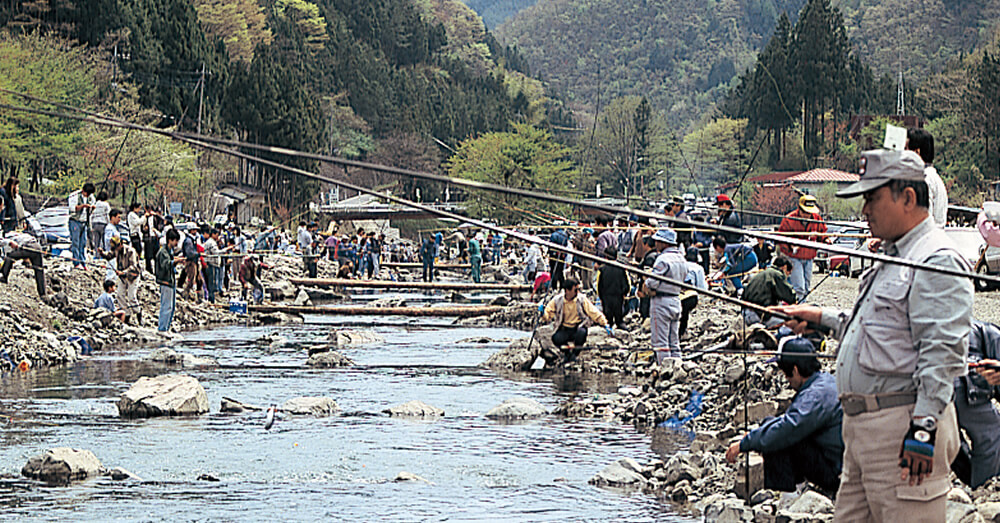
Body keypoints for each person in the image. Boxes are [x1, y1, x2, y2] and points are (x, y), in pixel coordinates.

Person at [775, 149, 973, 520]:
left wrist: (924, 429)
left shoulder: (937, 257)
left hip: (901, 434)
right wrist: (821, 318)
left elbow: (943, 352)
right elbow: (881, 327)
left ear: (908, 198)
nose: (864, 210)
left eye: (872, 197)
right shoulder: (893, 254)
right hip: (861, 437)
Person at [726, 337, 843, 495]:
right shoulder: (826, 380)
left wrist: (745, 444)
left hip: (835, 472)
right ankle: (798, 486)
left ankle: (788, 494)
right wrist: (756, 435)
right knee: (770, 424)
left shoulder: (814, 396)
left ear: (795, 370)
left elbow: (788, 428)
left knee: (778, 438)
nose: (787, 380)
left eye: (786, 374)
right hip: (835, 458)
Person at [951, 320, 1000, 488]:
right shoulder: (993, 335)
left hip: (925, 385)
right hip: (964, 386)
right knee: (992, 432)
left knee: (952, 442)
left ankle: (971, 479)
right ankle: (983, 484)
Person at [539, 277, 610, 364]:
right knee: (556, 338)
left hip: (578, 328)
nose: (577, 292)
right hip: (564, 328)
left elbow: (593, 312)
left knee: (582, 333)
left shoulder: (581, 299)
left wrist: (604, 323)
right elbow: (548, 316)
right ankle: (567, 354)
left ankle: (574, 354)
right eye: (575, 289)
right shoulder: (557, 300)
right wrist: (543, 313)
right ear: (567, 290)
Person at [645, 228, 688, 359]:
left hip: (661, 302)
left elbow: (652, 283)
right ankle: (677, 369)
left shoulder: (663, 259)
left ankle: (665, 371)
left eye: (657, 241)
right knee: (674, 342)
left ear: (664, 243)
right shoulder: (681, 258)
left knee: (661, 343)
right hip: (676, 300)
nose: (655, 244)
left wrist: (646, 279)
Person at [777, 195, 828, 300]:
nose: (807, 215)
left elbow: (823, 233)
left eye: (809, 213)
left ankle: (802, 304)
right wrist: (790, 245)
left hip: (809, 256)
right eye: (805, 212)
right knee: (799, 286)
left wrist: (825, 239)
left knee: (806, 285)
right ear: (799, 209)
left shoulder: (817, 219)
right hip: (794, 257)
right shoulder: (789, 219)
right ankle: (798, 306)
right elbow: (780, 239)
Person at [907, 128, 948, 227]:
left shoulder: (924, 180)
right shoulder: (933, 177)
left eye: (906, 149)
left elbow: (923, 223)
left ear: (917, 152)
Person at [742, 256, 797, 325]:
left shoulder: (761, 274)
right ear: (784, 267)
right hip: (758, 316)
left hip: (745, 314)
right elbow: (789, 296)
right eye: (788, 273)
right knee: (790, 323)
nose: (787, 276)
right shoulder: (776, 274)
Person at [0, 230, 45, 296]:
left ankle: (4, 277)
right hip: (37, 246)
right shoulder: (20, 234)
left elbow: (9, 254)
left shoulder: (7, 239)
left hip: (28, 246)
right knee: (39, 269)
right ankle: (42, 293)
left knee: (10, 257)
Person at [156, 228, 182, 332]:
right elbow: (165, 265)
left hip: (170, 282)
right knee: (166, 307)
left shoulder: (168, 251)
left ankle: (166, 327)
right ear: (170, 240)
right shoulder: (163, 252)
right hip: (165, 282)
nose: (176, 243)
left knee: (171, 307)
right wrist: (175, 262)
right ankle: (162, 329)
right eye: (175, 241)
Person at [111, 236, 141, 324]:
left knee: (131, 296)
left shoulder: (131, 251)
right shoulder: (117, 251)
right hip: (122, 277)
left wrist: (123, 272)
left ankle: (138, 313)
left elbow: (133, 266)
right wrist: (102, 253)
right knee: (120, 294)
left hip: (132, 276)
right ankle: (127, 315)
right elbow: (109, 255)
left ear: (120, 244)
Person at [597, 246, 628, 329]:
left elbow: (598, 285)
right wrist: (625, 293)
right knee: (619, 315)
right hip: (618, 296)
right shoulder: (621, 268)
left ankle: (609, 327)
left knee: (607, 316)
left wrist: (600, 296)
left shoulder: (602, 269)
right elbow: (627, 283)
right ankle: (620, 324)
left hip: (606, 296)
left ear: (606, 256)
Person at [680, 247, 707, 339]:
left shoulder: (680, 265)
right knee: (685, 312)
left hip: (675, 294)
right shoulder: (698, 268)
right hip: (689, 296)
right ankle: (682, 332)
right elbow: (702, 288)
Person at [67, 182, 95, 268]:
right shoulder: (74, 195)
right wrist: (82, 206)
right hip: (75, 221)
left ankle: (83, 262)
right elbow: (72, 208)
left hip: (84, 222)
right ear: (83, 191)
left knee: (83, 243)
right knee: (75, 243)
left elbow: (92, 207)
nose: (88, 195)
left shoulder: (91, 197)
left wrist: (91, 208)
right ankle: (76, 262)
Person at [180, 225, 204, 301]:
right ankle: (185, 296)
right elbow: (190, 254)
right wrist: (199, 254)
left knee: (199, 281)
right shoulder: (188, 241)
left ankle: (199, 298)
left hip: (195, 262)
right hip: (190, 263)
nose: (196, 232)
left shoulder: (192, 240)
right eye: (194, 230)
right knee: (190, 280)